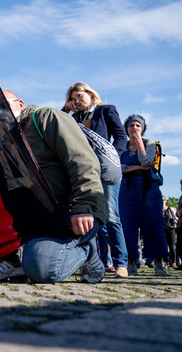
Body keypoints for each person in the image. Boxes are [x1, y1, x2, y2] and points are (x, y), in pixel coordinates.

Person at [0, 91, 106, 283]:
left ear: (20, 104)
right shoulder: (3, 140)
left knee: (41, 270)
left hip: (67, 213)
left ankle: (88, 252)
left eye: (2, 106)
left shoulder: (46, 118)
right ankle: (12, 263)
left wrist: (83, 206)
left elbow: (82, 161)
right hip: (35, 219)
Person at [63, 82, 129, 278]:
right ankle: (96, 262)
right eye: (73, 99)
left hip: (106, 168)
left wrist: (112, 158)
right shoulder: (74, 118)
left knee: (111, 216)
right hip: (85, 170)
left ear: (90, 95)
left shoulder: (105, 110)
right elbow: (58, 129)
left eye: (79, 97)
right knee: (90, 216)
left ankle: (121, 263)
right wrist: (65, 111)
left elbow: (120, 137)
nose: (77, 101)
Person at [118, 114, 169, 276]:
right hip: (126, 189)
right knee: (128, 225)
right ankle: (131, 262)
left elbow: (147, 162)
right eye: (131, 126)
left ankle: (158, 262)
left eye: (138, 126)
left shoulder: (150, 144)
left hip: (148, 189)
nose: (134, 128)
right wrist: (138, 168)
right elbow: (118, 168)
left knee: (153, 224)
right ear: (126, 129)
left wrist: (139, 142)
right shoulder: (121, 146)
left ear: (143, 129)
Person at [162, 197, 178, 267]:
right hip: (162, 230)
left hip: (170, 230)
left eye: (163, 200)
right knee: (164, 247)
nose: (162, 201)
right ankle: (166, 262)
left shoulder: (170, 209)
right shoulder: (159, 210)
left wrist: (175, 225)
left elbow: (176, 218)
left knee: (171, 246)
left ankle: (174, 262)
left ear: (165, 201)